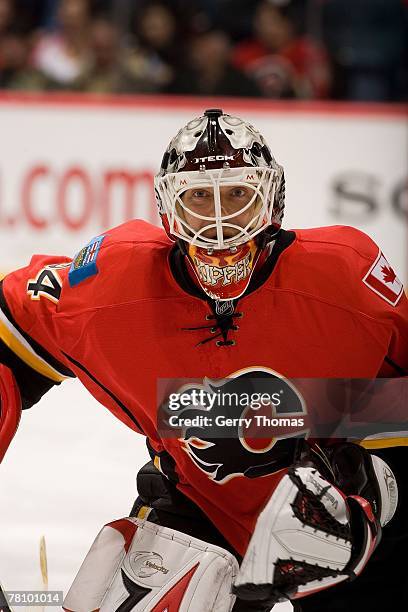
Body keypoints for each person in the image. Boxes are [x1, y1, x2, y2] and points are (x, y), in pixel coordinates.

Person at [0, 109, 407, 611]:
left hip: (338, 506)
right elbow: (8, 331)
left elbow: (402, 394)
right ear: (169, 208)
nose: (219, 219)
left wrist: (371, 478)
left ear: (270, 198)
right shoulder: (110, 286)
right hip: (201, 508)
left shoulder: (348, 278)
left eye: (237, 193)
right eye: (198, 197)